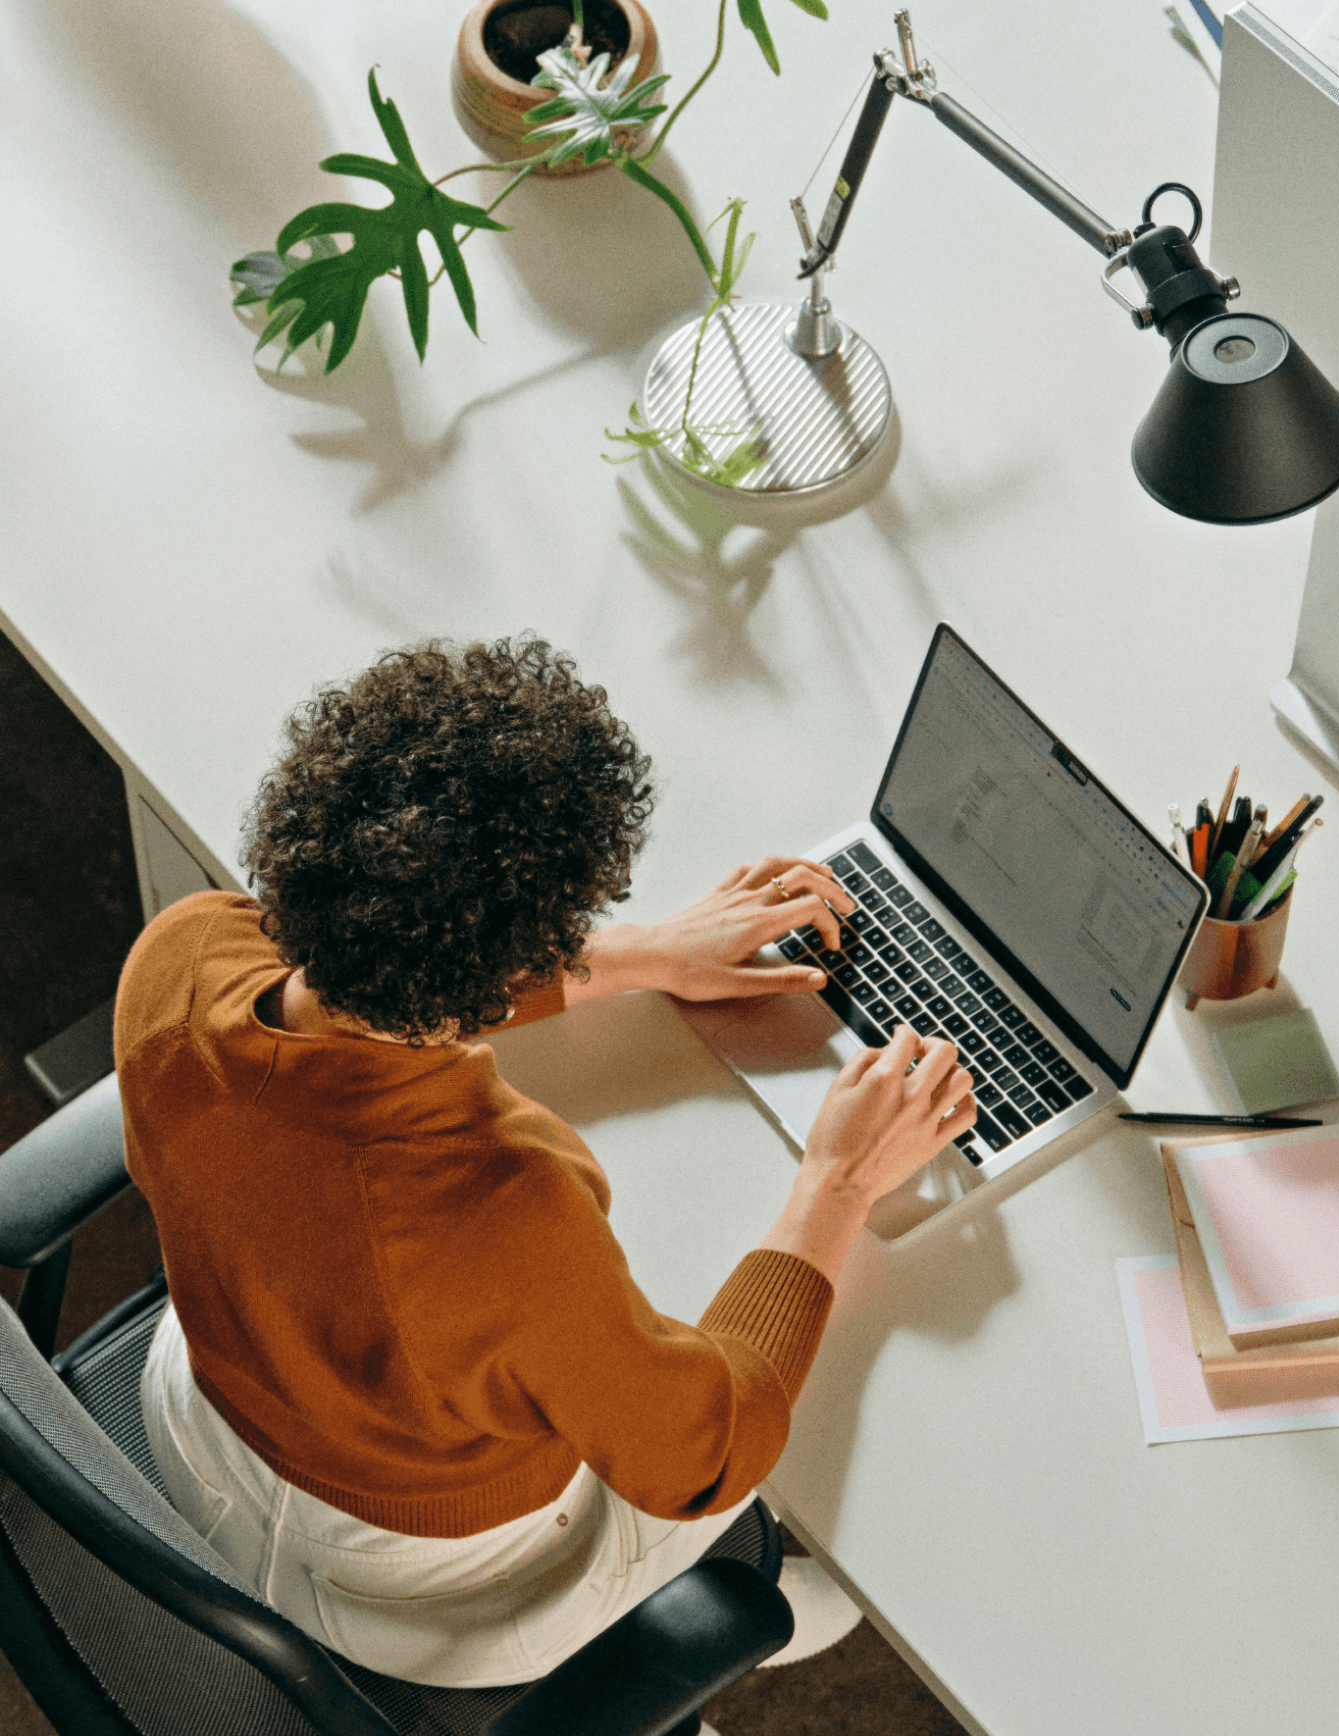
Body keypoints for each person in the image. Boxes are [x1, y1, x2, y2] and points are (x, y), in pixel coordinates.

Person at [117, 637, 974, 1689]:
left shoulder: (182, 951)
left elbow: (363, 979)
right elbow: (695, 1458)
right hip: (420, 1591)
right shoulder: (494, 1206)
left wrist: (646, 954)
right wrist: (837, 1183)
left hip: (207, 1411)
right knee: (816, 1445)